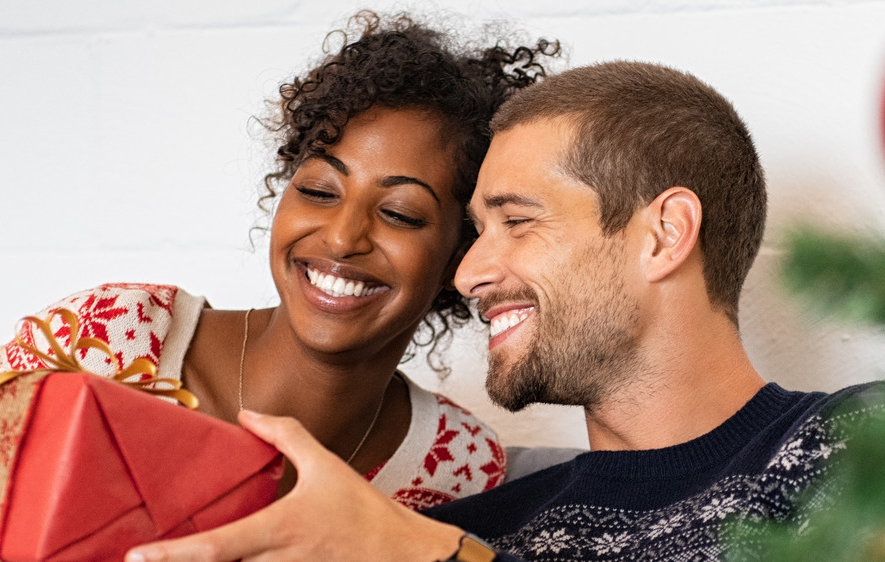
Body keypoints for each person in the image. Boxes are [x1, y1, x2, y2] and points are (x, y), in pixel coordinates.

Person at [119, 60, 885, 561]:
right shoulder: (471, 526)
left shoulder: (857, 447)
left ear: (664, 234)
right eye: (475, 233)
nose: (473, 272)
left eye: (517, 222)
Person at [0, 10, 559, 552]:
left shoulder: (456, 463)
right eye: (320, 190)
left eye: (398, 213)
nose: (343, 238)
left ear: (459, 257)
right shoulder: (107, 336)